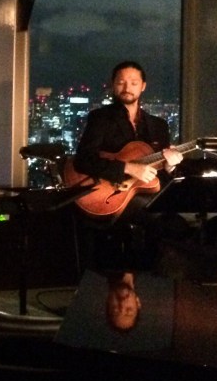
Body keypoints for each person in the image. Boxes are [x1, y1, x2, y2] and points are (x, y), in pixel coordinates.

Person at [72, 60, 182, 269]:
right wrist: (128, 168)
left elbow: (162, 175)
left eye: (133, 82)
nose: (127, 87)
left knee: (176, 225)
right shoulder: (100, 118)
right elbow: (83, 160)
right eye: (121, 82)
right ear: (113, 85)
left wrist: (170, 166)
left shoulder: (158, 125)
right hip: (111, 196)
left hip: (146, 197)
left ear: (143, 86)